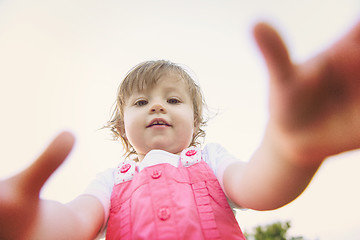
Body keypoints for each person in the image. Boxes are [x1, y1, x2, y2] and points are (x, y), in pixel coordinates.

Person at [1, 20, 360, 239]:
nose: (157, 106)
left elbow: (259, 186)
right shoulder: (111, 181)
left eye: (173, 100)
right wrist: (35, 227)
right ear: (122, 128)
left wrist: (290, 150)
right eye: (141, 103)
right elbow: (76, 220)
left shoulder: (210, 160)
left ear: (196, 120)